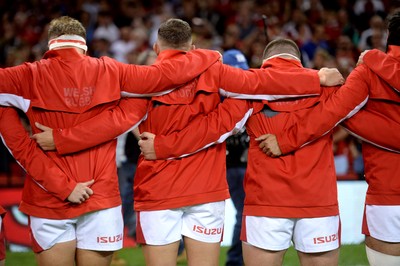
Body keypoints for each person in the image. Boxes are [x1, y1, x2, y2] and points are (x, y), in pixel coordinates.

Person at [29, 19, 344, 266]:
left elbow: (114, 123)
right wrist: (314, 78)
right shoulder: (218, 74)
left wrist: (60, 138)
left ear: (156, 47)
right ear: (192, 47)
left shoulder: (142, 82)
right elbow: (259, 84)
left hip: (157, 191)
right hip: (205, 190)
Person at [137, 38, 399, 265]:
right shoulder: (327, 87)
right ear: (299, 60)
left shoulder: (250, 91)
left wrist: (163, 146)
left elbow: (212, 129)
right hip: (318, 203)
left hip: (265, 203)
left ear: (265, 64)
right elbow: (357, 121)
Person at [0, 15, 224, 266]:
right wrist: (207, 55)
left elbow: (19, 145)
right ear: (83, 44)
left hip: (48, 200)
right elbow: (163, 78)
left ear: (50, 44)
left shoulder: (23, 77)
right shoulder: (111, 71)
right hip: (101, 195)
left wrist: (62, 171)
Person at [222, 49, 249, 266]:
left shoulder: (247, 94)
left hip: (249, 165)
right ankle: (234, 260)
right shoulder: (219, 98)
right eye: (236, 72)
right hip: (232, 166)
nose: (240, 76)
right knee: (244, 213)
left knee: (247, 213)